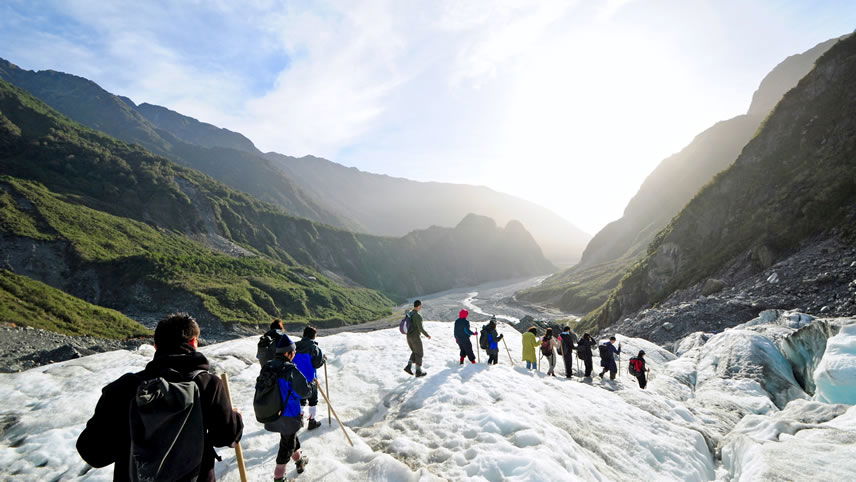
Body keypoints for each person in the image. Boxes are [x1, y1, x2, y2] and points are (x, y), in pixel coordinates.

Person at [77, 313, 243, 481]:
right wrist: (234, 417)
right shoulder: (208, 384)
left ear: (156, 346)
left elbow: (93, 454)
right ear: (194, 342)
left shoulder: (124, 388)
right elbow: (226, 437)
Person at [265, 333, 314, 481]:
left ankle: (299, 460)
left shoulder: (268, 366)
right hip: (288, 414)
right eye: (293, 352)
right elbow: (305, 392)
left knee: (289, 438)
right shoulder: (290, 370)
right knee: (286, 446)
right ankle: (279, 477)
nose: (294, 355)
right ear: (287, 353)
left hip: (272, 412)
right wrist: (310, 384)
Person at [294, 326, 326, 430]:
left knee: (301, 400)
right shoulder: (314, 348)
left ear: (304, 334)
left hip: (296, 378)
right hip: (310, 378)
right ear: (314, 336)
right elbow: (316, 364)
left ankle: (299, 419)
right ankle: (312, 422)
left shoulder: (294, 346)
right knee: (313, 401)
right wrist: (323, 360)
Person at [404, 300, 431, 377]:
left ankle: (408, 367)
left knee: (415, 352)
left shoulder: (409, 313)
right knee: (419, 353)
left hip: (408, 336)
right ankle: (418, 372)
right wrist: (427, 335)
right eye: (420, 306)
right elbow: (420, 328)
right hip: (415, 337)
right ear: (419, 306)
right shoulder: (417, 316)